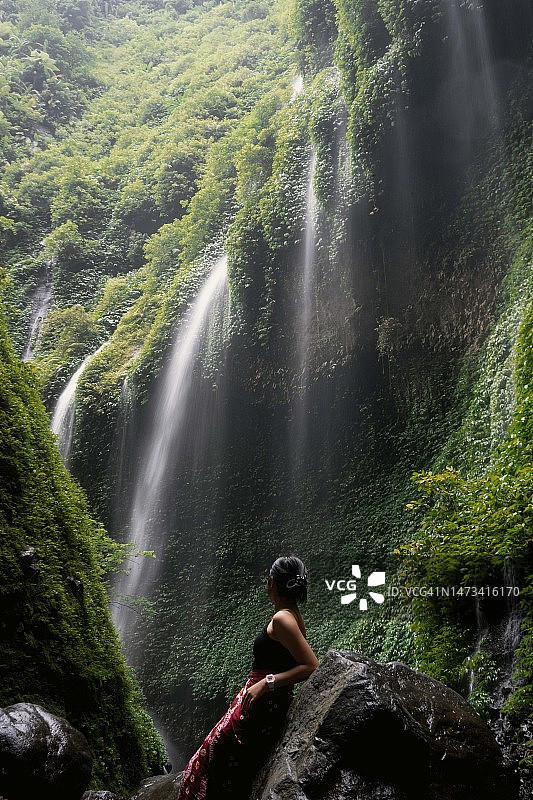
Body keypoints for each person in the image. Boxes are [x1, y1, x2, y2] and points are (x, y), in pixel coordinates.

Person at [176, 555, 319, 800]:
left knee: (211, 761)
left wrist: (266, 683)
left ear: (272, 582)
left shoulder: (282, 619)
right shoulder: (291, 613)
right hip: (260, 700)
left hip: (263, 705)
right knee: (213, 757)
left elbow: (311, 666)